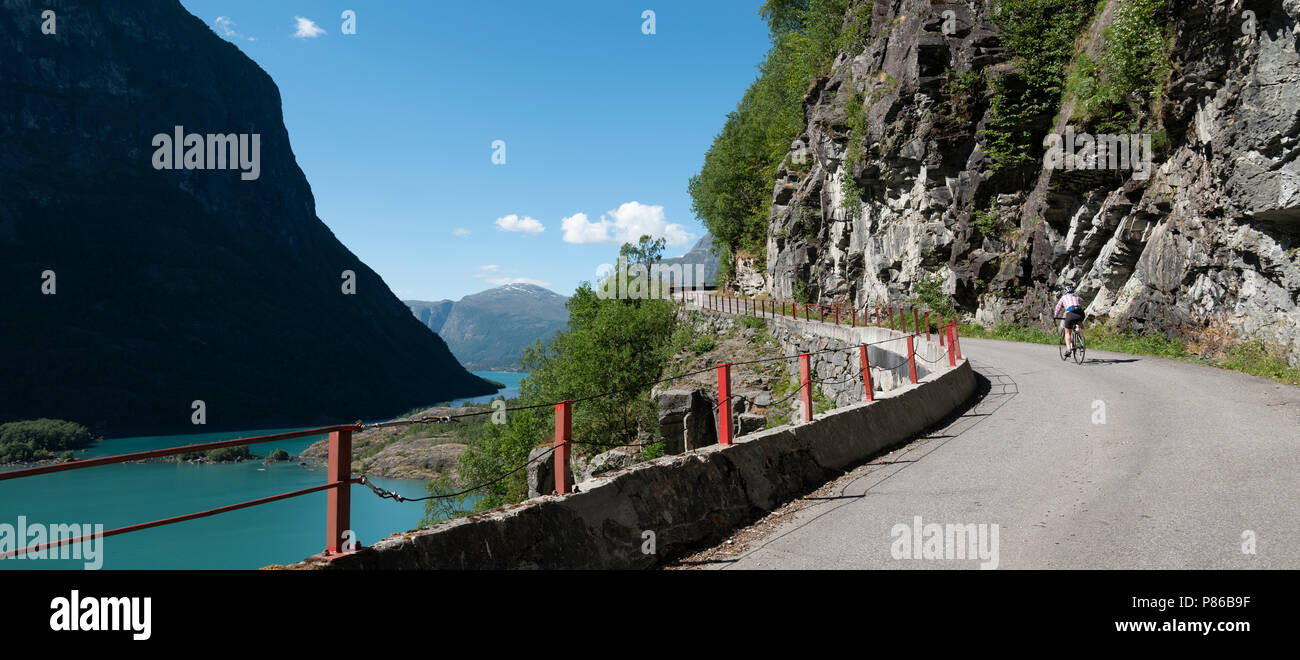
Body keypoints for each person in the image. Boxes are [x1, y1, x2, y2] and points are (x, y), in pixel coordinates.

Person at [1054, 285, 1084, 357]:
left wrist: (1055, 316)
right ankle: (1078, 338)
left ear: (1065, 292)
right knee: (1077, 324)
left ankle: (1068, 349)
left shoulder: (1063, 297)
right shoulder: (1076, 297)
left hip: (1070, 314)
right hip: (1081, 313)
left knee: (1067, 332)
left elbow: (1058, 307)